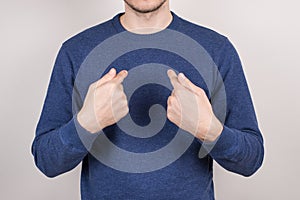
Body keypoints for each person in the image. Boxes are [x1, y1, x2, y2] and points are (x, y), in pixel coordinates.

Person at [32, 0, 264, 199]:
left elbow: (251, 160)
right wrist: (86, 124)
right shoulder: (76, 51)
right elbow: (47, 161)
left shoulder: (217, 49)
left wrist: (209, 129)